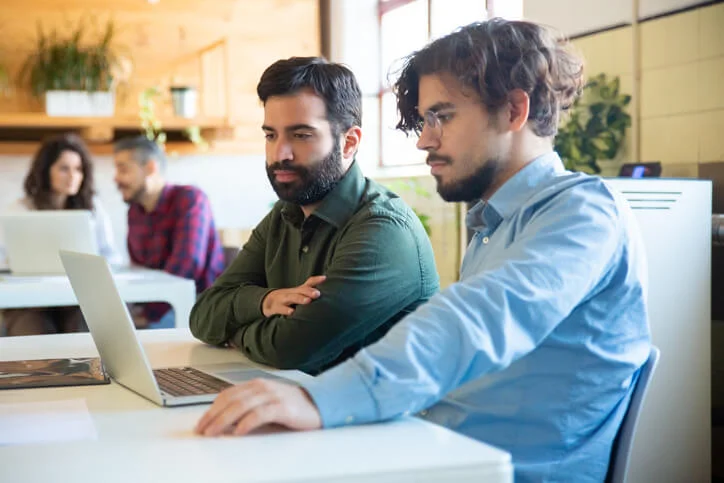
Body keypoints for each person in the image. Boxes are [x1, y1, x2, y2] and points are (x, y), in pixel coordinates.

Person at [194, 19, 652, 483]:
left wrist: (318, 400)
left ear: (514, 110)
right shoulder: (495, 225)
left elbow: (478, 318)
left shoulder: (583, 213)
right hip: (435, 450)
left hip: (499, 470)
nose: (424, 139)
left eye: (443, 116)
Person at [189, 57, 439, 375]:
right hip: (303, 405)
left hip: (381, 421)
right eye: (271, 136)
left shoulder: (383, 230)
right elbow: (203, 315)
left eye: (301, 135)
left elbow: (289, 349)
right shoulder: (284, 215)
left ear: (349, 142)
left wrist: (236, 334)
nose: (281, 153)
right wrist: (265, 302)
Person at [2, 133, 119, 336]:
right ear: (46, 171)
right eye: (64, 168)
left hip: (79, 299)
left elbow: (111, 256)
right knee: (34, 334)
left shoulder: (93, 210)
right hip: (30, 301)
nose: (73, 176)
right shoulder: (19, 210)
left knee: (86, 333)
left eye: (78, 169)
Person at [112, 136, 225, 328]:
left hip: (199, 305)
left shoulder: (190, 199)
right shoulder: (135, 211)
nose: (116, 178)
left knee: (136, 336)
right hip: (157, 305)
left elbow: (187, 265)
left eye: (123, 169)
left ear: (150, 168)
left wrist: (147, 315)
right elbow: (139, 270)